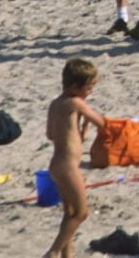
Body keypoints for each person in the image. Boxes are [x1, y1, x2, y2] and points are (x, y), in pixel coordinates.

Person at [43, 58, 108, 258]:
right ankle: (53, 252)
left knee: (69, 213)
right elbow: (102, 122)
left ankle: (67, 254)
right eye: (88, 88)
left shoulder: (55, 104)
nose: (90, 92)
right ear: (74, 86)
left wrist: (80, 128)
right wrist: (88, 117)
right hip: (68, 166)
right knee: (81, 213)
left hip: (56, 164)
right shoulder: (75, 103)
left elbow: (51, 135)